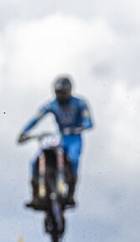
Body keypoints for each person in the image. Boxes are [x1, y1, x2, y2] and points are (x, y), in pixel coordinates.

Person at [17, 75, 94, 209]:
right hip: (60, 138)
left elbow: (89, 121)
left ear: (69, 91)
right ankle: (35, 196)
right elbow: (36, 118)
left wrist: (83, 126)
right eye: (58, 92)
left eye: (63, 92)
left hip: (74, 138)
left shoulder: (80, 103)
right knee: (34, 161)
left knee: (74, 160)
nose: (60, 96)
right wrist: (24, 132)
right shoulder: (52, 105)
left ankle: (70, 194)